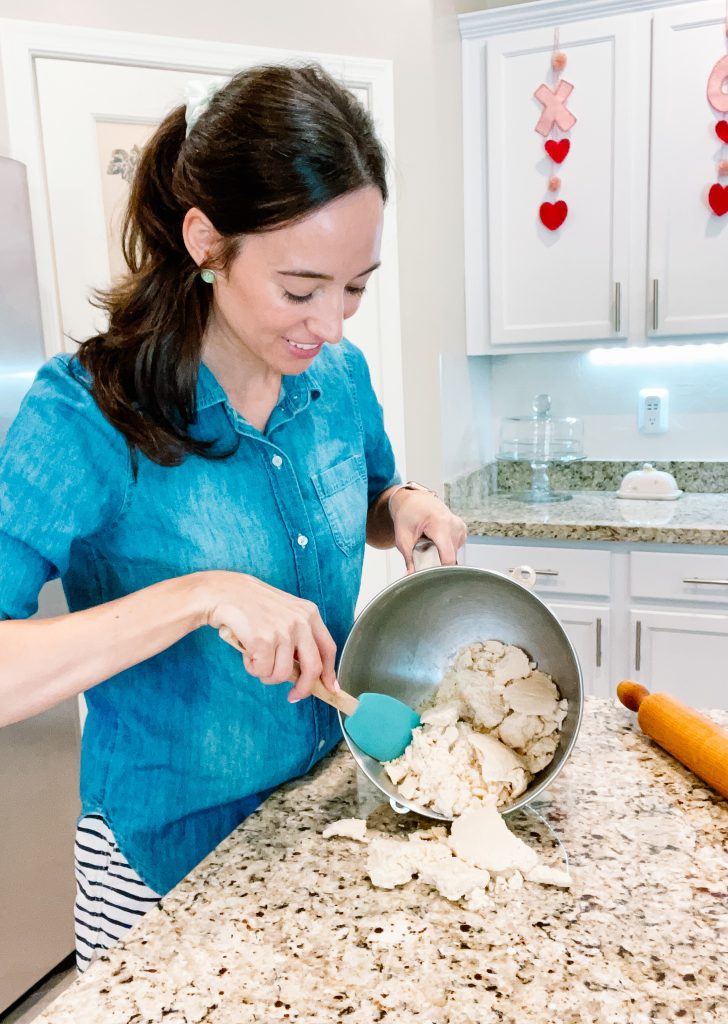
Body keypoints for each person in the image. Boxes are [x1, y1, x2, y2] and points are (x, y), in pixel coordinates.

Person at [0, 64, 466, 971]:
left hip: (319, 826)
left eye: (356, 287)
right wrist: (201, 595)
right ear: (207, 243)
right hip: (160, 869)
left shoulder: (336, 381)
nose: (331, 324)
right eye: (301, 288)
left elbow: (366, 498)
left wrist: (401, 503)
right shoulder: (84, 415)